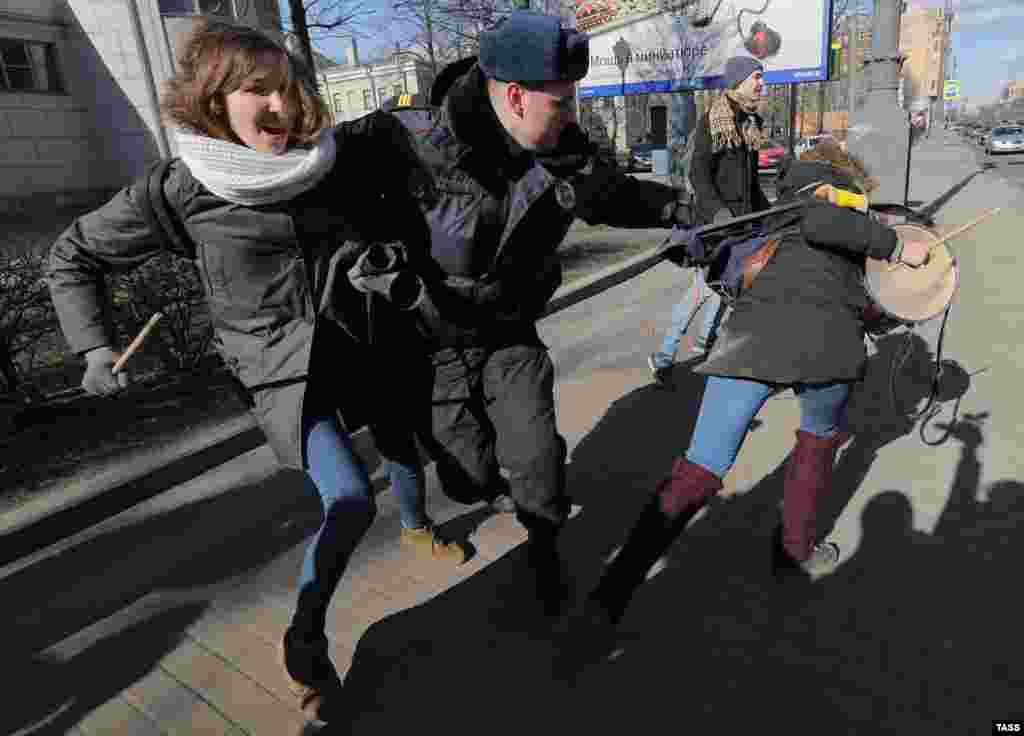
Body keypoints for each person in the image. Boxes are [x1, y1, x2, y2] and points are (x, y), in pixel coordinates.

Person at [45, 20, 462, 725]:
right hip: (279, 372)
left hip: (360, 345)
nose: (283, 106)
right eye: (257, 90)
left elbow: (397, 201)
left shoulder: (333, 161)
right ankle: (306, 647)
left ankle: (420, 525)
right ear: (213, 101)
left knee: (402, 438)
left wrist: (383, 264)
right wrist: (93, 350)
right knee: (351, 499)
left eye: (289, 87)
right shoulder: (182, 189)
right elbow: (71, 254)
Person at [561, 142, 932, 661]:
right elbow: (823, 224)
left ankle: (607, 599)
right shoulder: (826, 205)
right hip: (823, 350)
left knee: (700, 468)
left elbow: (867, 301)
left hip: (750, 343)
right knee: (817, 443)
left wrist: (892, 309)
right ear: (841, 179)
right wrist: (897, 248)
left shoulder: (780, 211)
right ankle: (793, 549)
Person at [407, 11, 695, 618]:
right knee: (468, 478)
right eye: (561, 102)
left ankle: (545, 555)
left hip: (510, 331)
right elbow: (305, 184)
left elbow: (614, 196)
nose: (572, 115)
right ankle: (489, 489)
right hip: (436, 346)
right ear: (514, 95)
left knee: (538, 461)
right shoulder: (412, 148)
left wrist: (681, 212)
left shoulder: (564, 151)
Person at [648, 56, 771, 386]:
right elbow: (697, 173)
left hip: (744, 224)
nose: (761, 83)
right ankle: (663, 357)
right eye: (756, 77)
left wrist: (770, 212)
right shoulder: (713, 120)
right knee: (704, 291)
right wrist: (717, 211)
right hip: (716, 225)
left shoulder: (750, 122)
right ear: (739, 81)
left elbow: (751, 182)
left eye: (762, 77)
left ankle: (705, 346)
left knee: (726, 289)